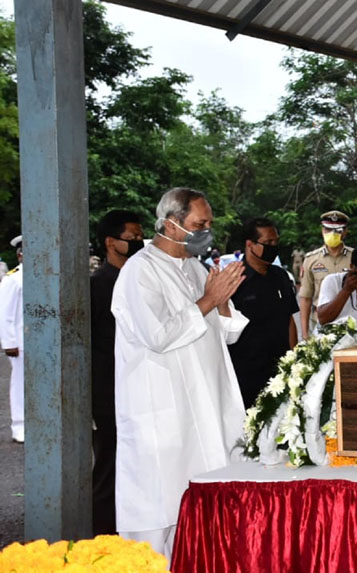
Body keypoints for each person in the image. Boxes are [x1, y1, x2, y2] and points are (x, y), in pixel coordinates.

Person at [110, 187, 248, 558]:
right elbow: (158, 335)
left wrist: (220, 302)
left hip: (205, 408)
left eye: (209, 224)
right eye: (199, 224)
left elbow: (228, 333)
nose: (207, 231)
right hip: (163, 418)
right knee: (157, 517)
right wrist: (208, 300)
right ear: (170, 224)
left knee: (202, 515)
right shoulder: (140, 272)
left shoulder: (195, 266)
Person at [90, 210, 145, 534]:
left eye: (141, 236)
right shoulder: (98, 285)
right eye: (132, 237)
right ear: (111, 243)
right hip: (109, 393)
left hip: (142, 389)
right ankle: (104, 540)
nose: (139, 242)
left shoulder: (141, 280)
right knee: (109, 468)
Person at [228, 218, 299, 409]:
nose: (273, 247)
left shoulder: (281, 276)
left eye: (276, 242)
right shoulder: (233, 280)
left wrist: (294, 360)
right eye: (268, 243)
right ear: (249, 244)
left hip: (280, 370)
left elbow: (290, 320)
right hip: (246, 374)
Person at [299, 211, 353, 339]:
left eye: (337, 230)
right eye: (328, 230)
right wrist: (305, 334)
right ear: (322, 231)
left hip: (350, 324)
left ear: (345, 232)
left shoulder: (355, 258)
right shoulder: (311, 260)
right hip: (321, 324)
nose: (332, 234)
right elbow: (306, 298)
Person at [317, 244, 357, 336]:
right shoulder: (333, 281)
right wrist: (346, 290)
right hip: (334, 341)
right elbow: (323, 319)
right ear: (352, 267)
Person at [0, 235, 23, 444]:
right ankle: (19, 425)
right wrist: (9, 344)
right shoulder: (13, 278)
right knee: (20, 383)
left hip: (41, 343)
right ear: (20, 254)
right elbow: (5, 314)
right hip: (21, 343)